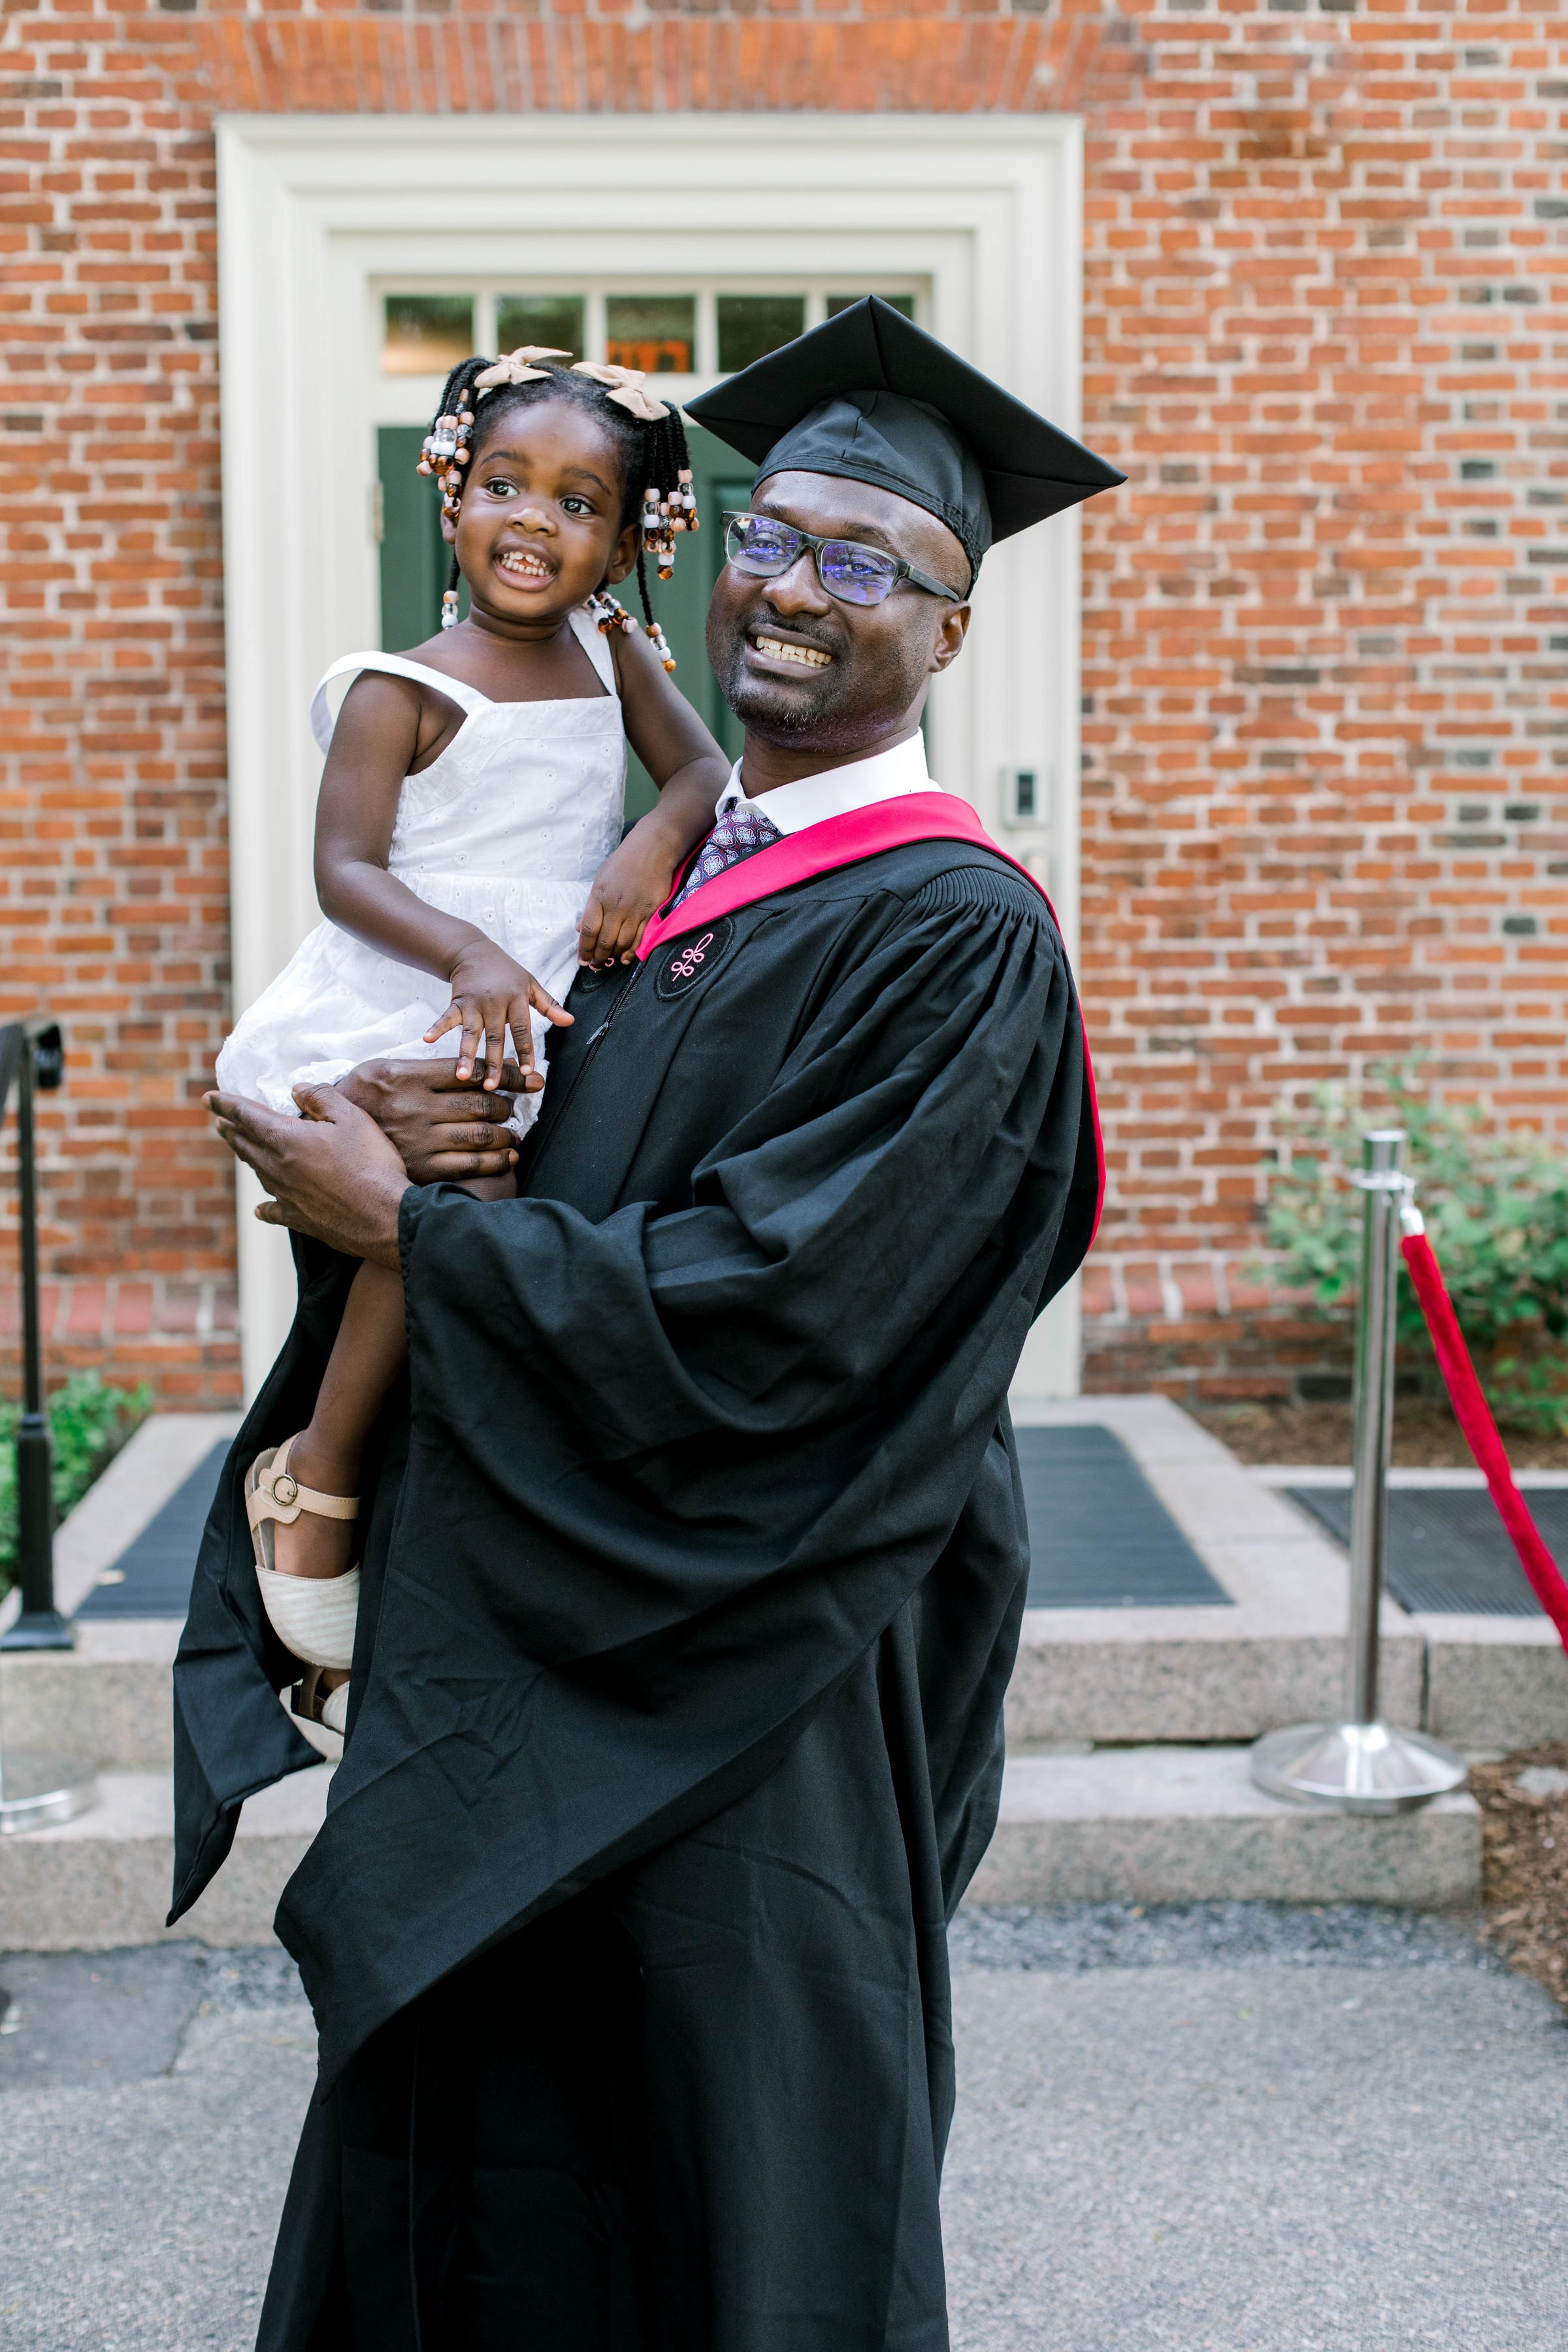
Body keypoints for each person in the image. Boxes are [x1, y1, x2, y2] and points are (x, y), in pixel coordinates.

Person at [176, 299, 1122, 2351]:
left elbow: (789, 1320)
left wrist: (418, 1239)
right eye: (771, 538)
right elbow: (521, 1164)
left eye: (867, 561)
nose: (796, 590)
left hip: (748, 1700)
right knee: (485, 2195)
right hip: (525, 1653)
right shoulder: (658, 885)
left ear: (949, 632)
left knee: (732, 2198)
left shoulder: (951, 934)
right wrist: (386, 1160)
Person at [214, 349, 729, 1735]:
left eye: (577, 503)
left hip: (554, 990)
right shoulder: (401, 685)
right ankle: (318, 1472)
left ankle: (432, 1513)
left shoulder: (616, 654)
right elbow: (345, 870)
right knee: (456, 1209)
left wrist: (646, 850)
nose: (532, 520)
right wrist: (469, 952)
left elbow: (700, 772)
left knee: (508, 1233)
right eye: (504, 483)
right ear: (450, 497)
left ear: (629, 542)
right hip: (419, 987)